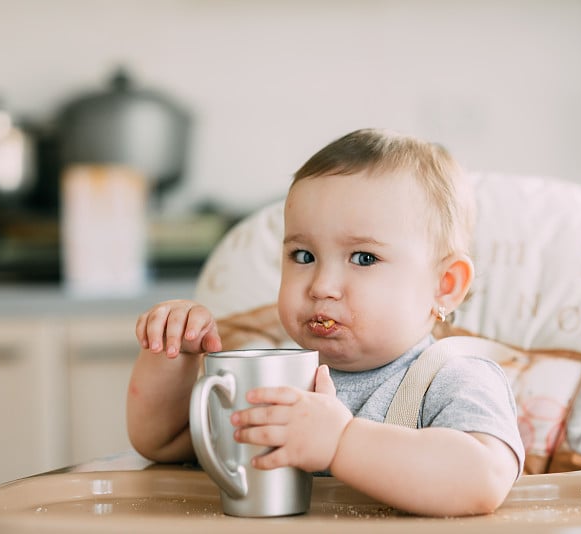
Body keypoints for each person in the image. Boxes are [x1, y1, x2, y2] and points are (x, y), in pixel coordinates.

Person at [127, 128, 525, 517]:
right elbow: (166, 442)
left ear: (444, 285)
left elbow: (481, 480)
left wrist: (341, 442)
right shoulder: (272, 375)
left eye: (364, 258)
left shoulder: (454, 378)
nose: (322, 286)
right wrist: (172, 351)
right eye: (303, 256)